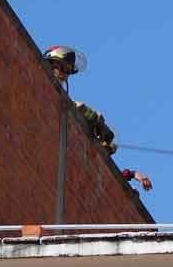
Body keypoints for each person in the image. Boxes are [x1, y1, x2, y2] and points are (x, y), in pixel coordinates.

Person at [43, 46, 152, 191]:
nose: (64, 75)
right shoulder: (40, 83)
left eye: (68, 71)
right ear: (49, 64)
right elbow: (72, 106)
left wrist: (133, 175)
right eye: (61, 68)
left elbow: (106, 175)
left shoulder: (84, 149)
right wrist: (91, 115)